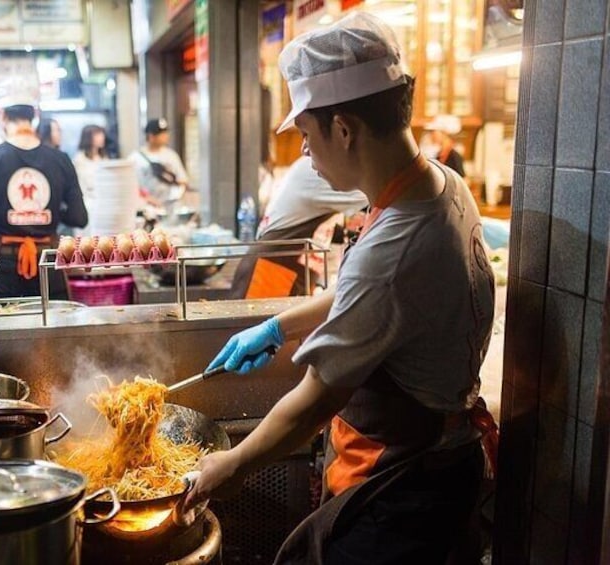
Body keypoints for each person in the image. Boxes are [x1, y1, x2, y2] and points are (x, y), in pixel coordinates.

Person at [181, 12, 496, 564]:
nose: (305, 152)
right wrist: (279, 324)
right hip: (444, 463)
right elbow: (374, 291)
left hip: (404, 490)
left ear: (344, 129)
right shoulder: (442, 186)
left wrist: (228, 468)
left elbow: (312, 403)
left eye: (306, 134)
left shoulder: (394, 243)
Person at [0, 80, 88, 298]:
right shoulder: (61, 160)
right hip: (49, 266)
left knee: (5, 328)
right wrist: (48, 212)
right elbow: (79, 217)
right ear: (34, 114)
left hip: (2, 270)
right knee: (53, 328)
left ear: (1, 116)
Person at [231, 155, 368, 298]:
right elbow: (375, 195)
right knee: (263, 319)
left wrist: (347, 234)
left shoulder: (320, 165)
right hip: (270, 274)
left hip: (286, 273)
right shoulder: (316, 167)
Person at [128, 118, 189, 208]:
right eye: (162, 134)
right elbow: (130, 186)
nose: (166, 136)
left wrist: (176, 196)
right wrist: (147, 198)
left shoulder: (171, 155)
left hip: (170, 205)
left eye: (166, 133)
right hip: (146, 207)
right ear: (151, 136)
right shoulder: (135, 158)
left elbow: (182, 180)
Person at [72, 124, 108, 203]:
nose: (102, 137)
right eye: (97, 135)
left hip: (104, 199)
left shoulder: (103, 158)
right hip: (87, 200)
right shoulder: (80, 159)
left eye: (102, 134)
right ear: (88, 138)